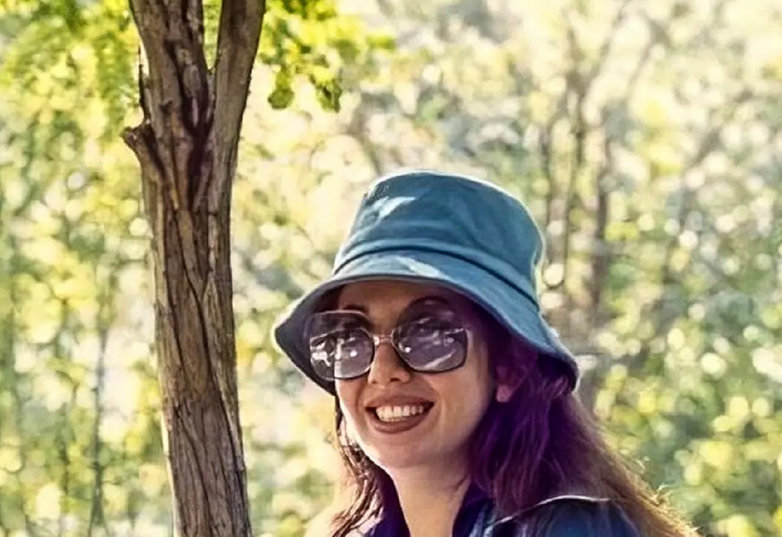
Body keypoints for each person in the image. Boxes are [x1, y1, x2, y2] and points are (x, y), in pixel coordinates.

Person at [274, 170, 698, 537]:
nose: (382, 372)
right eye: (349, 336)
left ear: (510, 368)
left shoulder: (569, 528)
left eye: (429, 333)